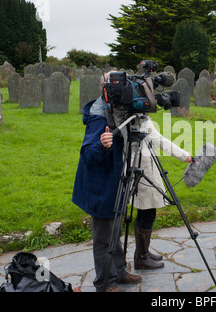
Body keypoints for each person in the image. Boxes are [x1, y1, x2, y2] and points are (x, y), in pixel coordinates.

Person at [72, 72, 142, 292]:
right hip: (100, 186)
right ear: (107, 90)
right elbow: (88, 155)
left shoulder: (118, 112)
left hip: (116, 181)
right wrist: (102, 145)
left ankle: (119, 272)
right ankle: (105, 283)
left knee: (115, 230)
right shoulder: (98, 117)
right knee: (104, 237)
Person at [132, 117, 192, 270]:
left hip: (142, 164)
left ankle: (142, 252)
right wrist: (184, 155)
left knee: (144, 210)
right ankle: (141, 257)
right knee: (147, 211)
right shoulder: (135, 118)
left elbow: (155, 137)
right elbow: (157, 138)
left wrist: (183, 155)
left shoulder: (135, 116)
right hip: (142, 167)